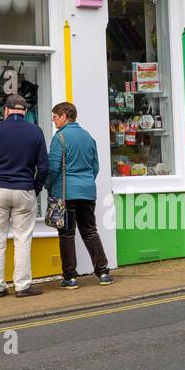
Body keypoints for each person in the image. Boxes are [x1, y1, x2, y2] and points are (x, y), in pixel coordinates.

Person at [0, 93, 49, 298]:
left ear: (6, 111)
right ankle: (22, 285)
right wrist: (34, 189)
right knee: (23, 239)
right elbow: (43, 167)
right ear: (25, 112)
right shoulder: (36, 131)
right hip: (24, 190)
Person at [45, 102, 112, 287]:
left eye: (55, 117)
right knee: (90, 231)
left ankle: (70, 277)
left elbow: (53, 168)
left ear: (64, 116)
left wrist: (47, 186)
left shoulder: (60, 138)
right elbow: (95, 167)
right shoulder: (88, 137)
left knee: (67, 234)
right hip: (88, 192)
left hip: (66, 193)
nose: (54, 121)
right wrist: (86, 183)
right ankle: (103, 273)